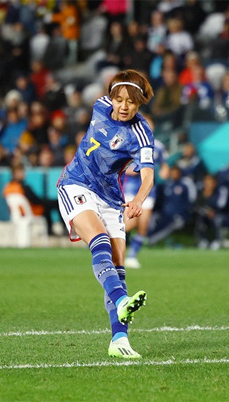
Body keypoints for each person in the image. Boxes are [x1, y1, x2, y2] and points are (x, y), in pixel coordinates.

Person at [56, 69, 155, 359]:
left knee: (118, 267)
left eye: (131, 102)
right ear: (111, 98)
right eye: (119, 99)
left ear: (139, 104)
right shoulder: (100, 105)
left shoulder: (141, 133)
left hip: (111, 197)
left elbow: (148, 176)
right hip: (75, 182)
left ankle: (119, 340)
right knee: (98, 240)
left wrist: (138, 200)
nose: (124, 106)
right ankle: (122, 301)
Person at [123, 137, 168, 269]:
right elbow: (120, 165)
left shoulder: (157, 145)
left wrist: (165, 171)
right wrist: (131, 170)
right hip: (130, 189)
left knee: (143, 225)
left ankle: (132, 256)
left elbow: (164, 164)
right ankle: (108, 245)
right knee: (129, 223)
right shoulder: (127, 142)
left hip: (148, 189)